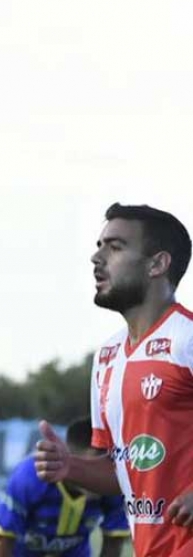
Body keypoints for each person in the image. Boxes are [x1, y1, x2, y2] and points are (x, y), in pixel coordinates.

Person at [36, 204, 193, 557]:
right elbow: (121, 471)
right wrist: (70, 466)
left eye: (115, 246)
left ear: (157, 264)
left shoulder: (188, 339)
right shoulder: (107, 357)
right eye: (100, 244)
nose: (97, 257)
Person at [0, 419, 130, 557]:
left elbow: (113, 542)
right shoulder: (29, 476)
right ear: (74, 457)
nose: (106, 467)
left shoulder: (112, 483)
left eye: (112, 458)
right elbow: (1, 539)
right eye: (99, 458)